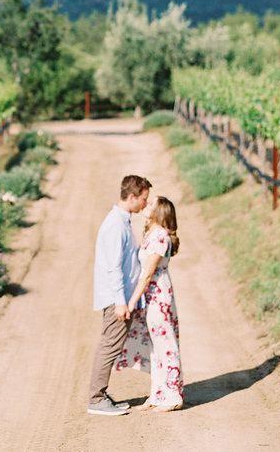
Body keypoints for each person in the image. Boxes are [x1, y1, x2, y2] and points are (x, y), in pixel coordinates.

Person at [88, 174, 151, 416]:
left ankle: (100, 395)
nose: (145, 203)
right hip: (118, 298)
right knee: (109, 347)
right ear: (132, 196)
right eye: (143, 199)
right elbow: (113, 267)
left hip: (120, 296)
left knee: (111, 346)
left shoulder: (122, 221)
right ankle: (96, 398)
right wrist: (121, 301)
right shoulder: (115, 224)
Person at [114, 195, 184, 412]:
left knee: (166, 344)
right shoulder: (151, 234)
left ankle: (173, 395)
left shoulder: (160, 236)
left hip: (158, 295)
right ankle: (157, 394)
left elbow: (147, 273)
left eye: (151, 204)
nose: (146, 205)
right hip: (150, 296)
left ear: (160, 212)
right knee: (155, 346)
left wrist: (132, 301)